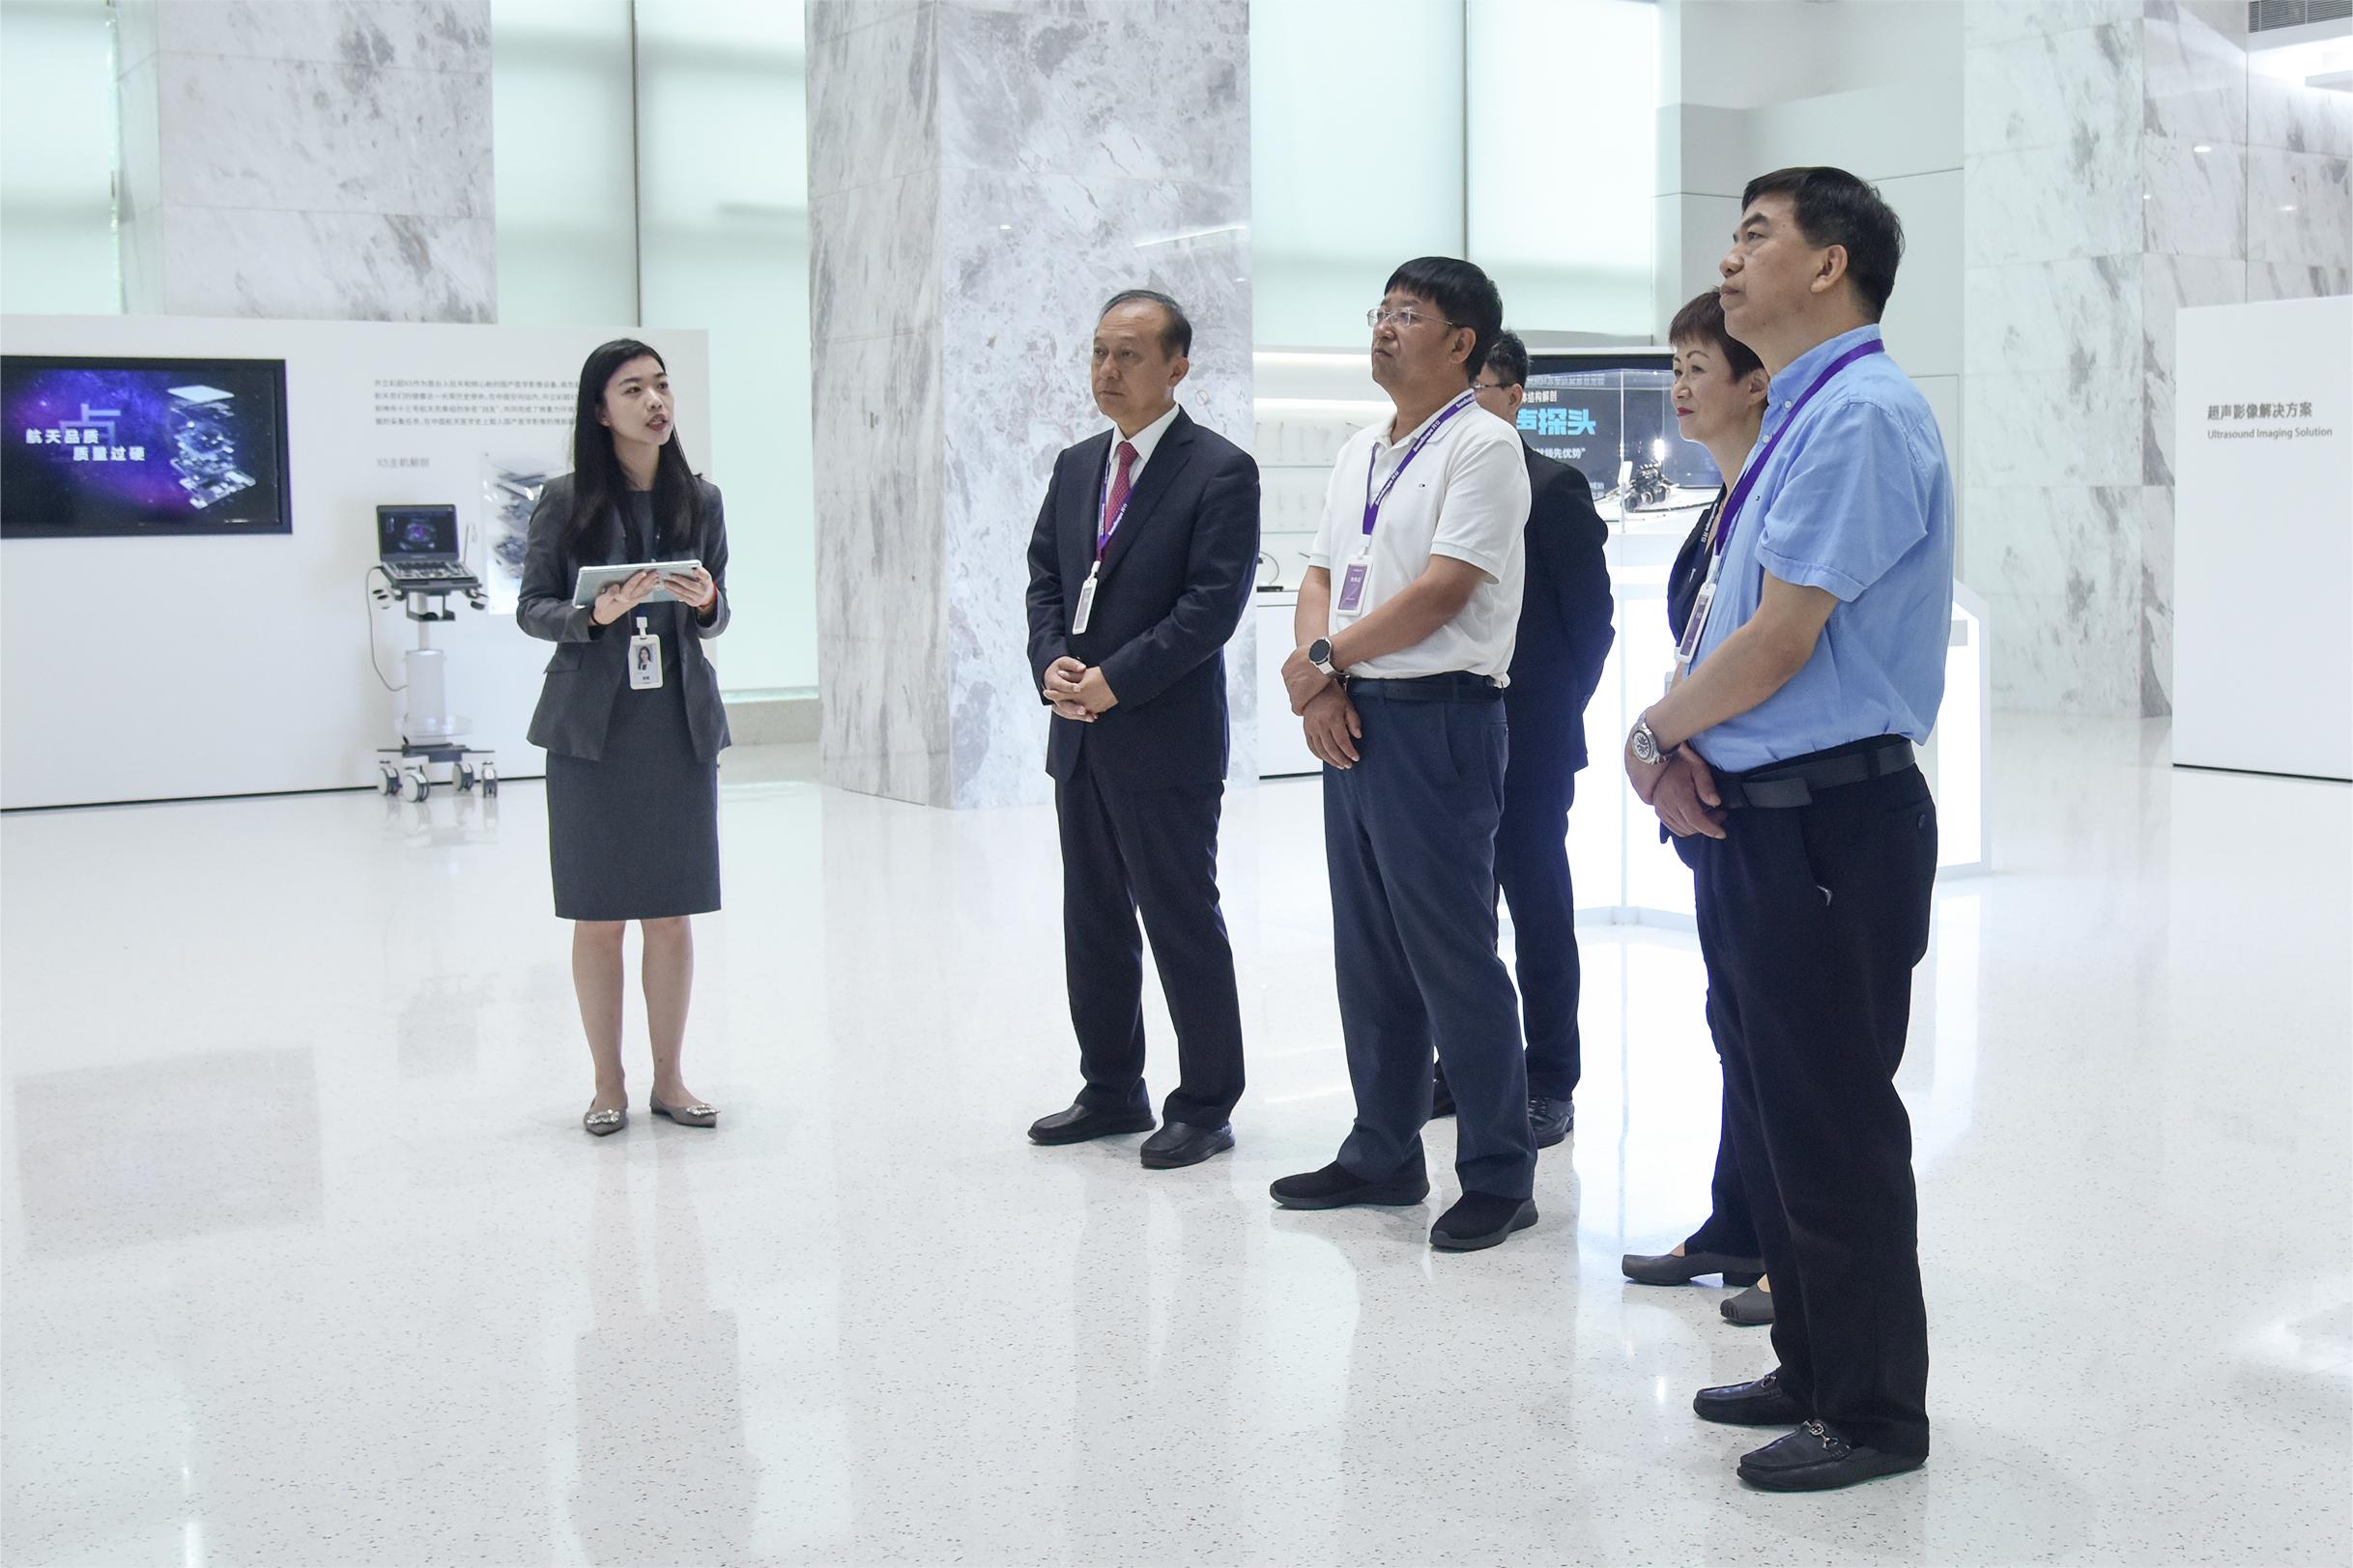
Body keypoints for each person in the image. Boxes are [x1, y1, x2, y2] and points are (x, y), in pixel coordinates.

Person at [1623, 167, 1951, 1491]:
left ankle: (1870, 1413)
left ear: (1827, 266)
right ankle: (1809, 1365)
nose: (1728, 257)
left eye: (1754, 236)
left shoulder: (1860, 413)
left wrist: (1651, 734)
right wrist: (1685, 752)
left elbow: (1776, 640)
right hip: (1759, 822)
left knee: (1830, 1121)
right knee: (1773, 1104)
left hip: (1830, 825)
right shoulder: (1801, 413)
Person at [1270, 257, 1538, 1252]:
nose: (1383, 327)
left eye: (1408, 314)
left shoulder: (1483, 446)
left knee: (1451, 953)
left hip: (1438, 718)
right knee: (1369, 947)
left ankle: (1499, 1173)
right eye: (1379, 310)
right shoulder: (1360, 449)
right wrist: (1322, 679)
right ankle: (1381, 1149)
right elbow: (1315, 575)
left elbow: (1443, 590)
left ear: (1461, 342)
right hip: (1354, 710)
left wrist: (1324, 661)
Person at [1022, 289, 1260, 1169]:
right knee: (1092, 918)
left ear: (1177, 367)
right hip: (1080, 735)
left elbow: (1209, 610)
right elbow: (1046, 579)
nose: (1107, 370)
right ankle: (1111, 1087)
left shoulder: (1219, 470)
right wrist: (1052, 661)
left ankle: (1206, 1103)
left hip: (1163, 738)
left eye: (1128, 354)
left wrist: (1113, 682)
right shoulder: (1076, 464)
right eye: (1098, 352)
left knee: (1179, 918)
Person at [518, 337, 730, 1137]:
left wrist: (706, 603)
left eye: (661, 385)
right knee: (600, 914)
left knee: (671, 914)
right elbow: (531, 606)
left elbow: (717, 610)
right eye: (633, 389)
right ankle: (607, 1082)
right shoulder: (565, 499)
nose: (654, 401)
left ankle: (670, 1079)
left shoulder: (699, 499)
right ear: (600, 411)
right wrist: (593, 614)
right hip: (591, 732)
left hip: (675, 724)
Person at [1619, 288, 1778, 1326]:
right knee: (1735, 1025)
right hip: (1713, 797)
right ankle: (1737, 1225)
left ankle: (1790, 1257)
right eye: (1672, 367)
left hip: (1771, 798)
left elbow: (1769, 649)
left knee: (1783, 1042)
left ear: (1754, 381)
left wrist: (1659, 738)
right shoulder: (1718, 504)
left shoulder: (1778, 489)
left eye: (1696, 367)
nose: (1678, 386)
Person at [1459, 328, 1615, 1149]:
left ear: (1514, 396)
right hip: (1446, 736)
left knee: (1538, 909)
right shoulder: (1442, 484)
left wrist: (1555, 714)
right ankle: (1467, 1065)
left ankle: (1550, 1077)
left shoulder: (1551, 487)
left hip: (1530, 741)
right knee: (1460, 913)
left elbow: (1592, 623)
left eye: (1477, 388)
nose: (1462, 406)